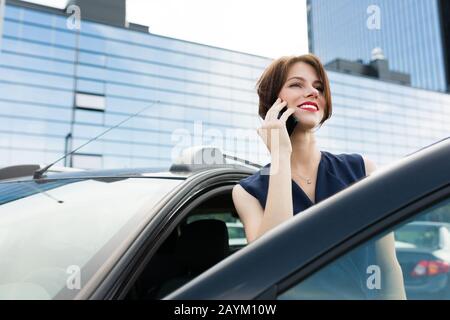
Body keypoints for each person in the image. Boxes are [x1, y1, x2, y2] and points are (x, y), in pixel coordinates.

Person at [232, 54, 405, 299]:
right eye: (296, 84)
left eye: (319, 87)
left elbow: (389, 269)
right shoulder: (248, 192)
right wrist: (280, 155)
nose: (312, 92)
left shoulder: (362, 170)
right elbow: (270, 266)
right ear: (273, 101)